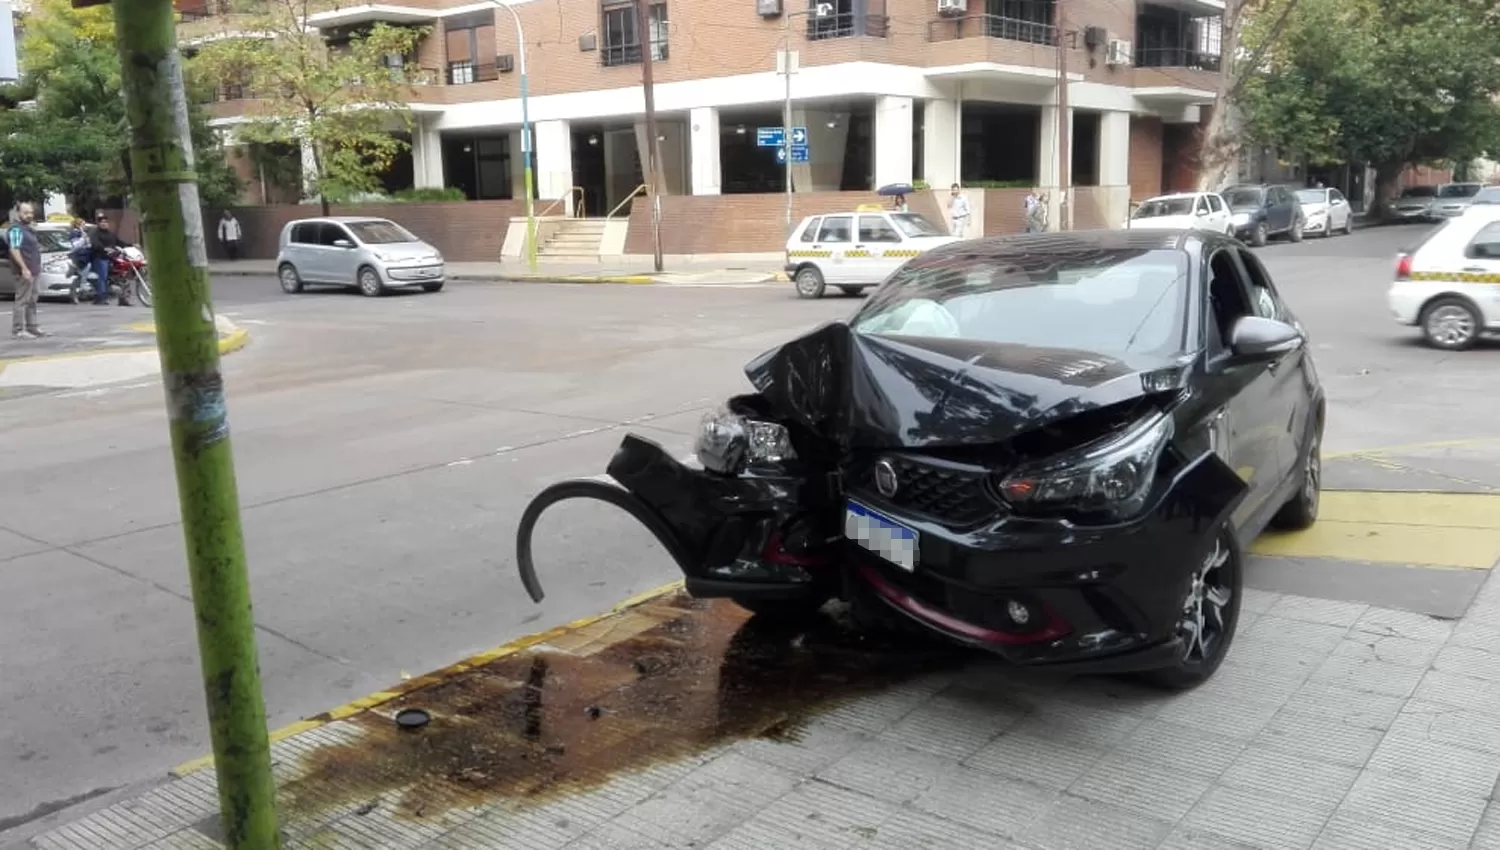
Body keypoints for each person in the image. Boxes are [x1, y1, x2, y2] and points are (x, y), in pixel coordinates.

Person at [8, 203, 45, 339]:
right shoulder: (16, 229)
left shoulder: (27, 228)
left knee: (32, 300)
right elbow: (14, 249)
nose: (29, 215)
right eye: (25, 213)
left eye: (30, 212)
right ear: (18, 213)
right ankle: (18, 330)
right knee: (22, 300)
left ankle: (32, 327)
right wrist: (24, 268)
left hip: (34, 269)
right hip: (24, 271)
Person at [89, 212, 134, 306]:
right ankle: (102, 297)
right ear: (99, 223)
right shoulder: (95, 234)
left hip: (112, 258)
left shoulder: (111, 234)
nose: (104, 223)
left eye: (106, 222)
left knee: (122, 275)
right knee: (103, 277)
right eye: (102, 222)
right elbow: (95, 244)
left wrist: (131, 245)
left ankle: (123, 297)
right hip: (100, 258)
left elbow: (119, 242)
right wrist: (104, 248)